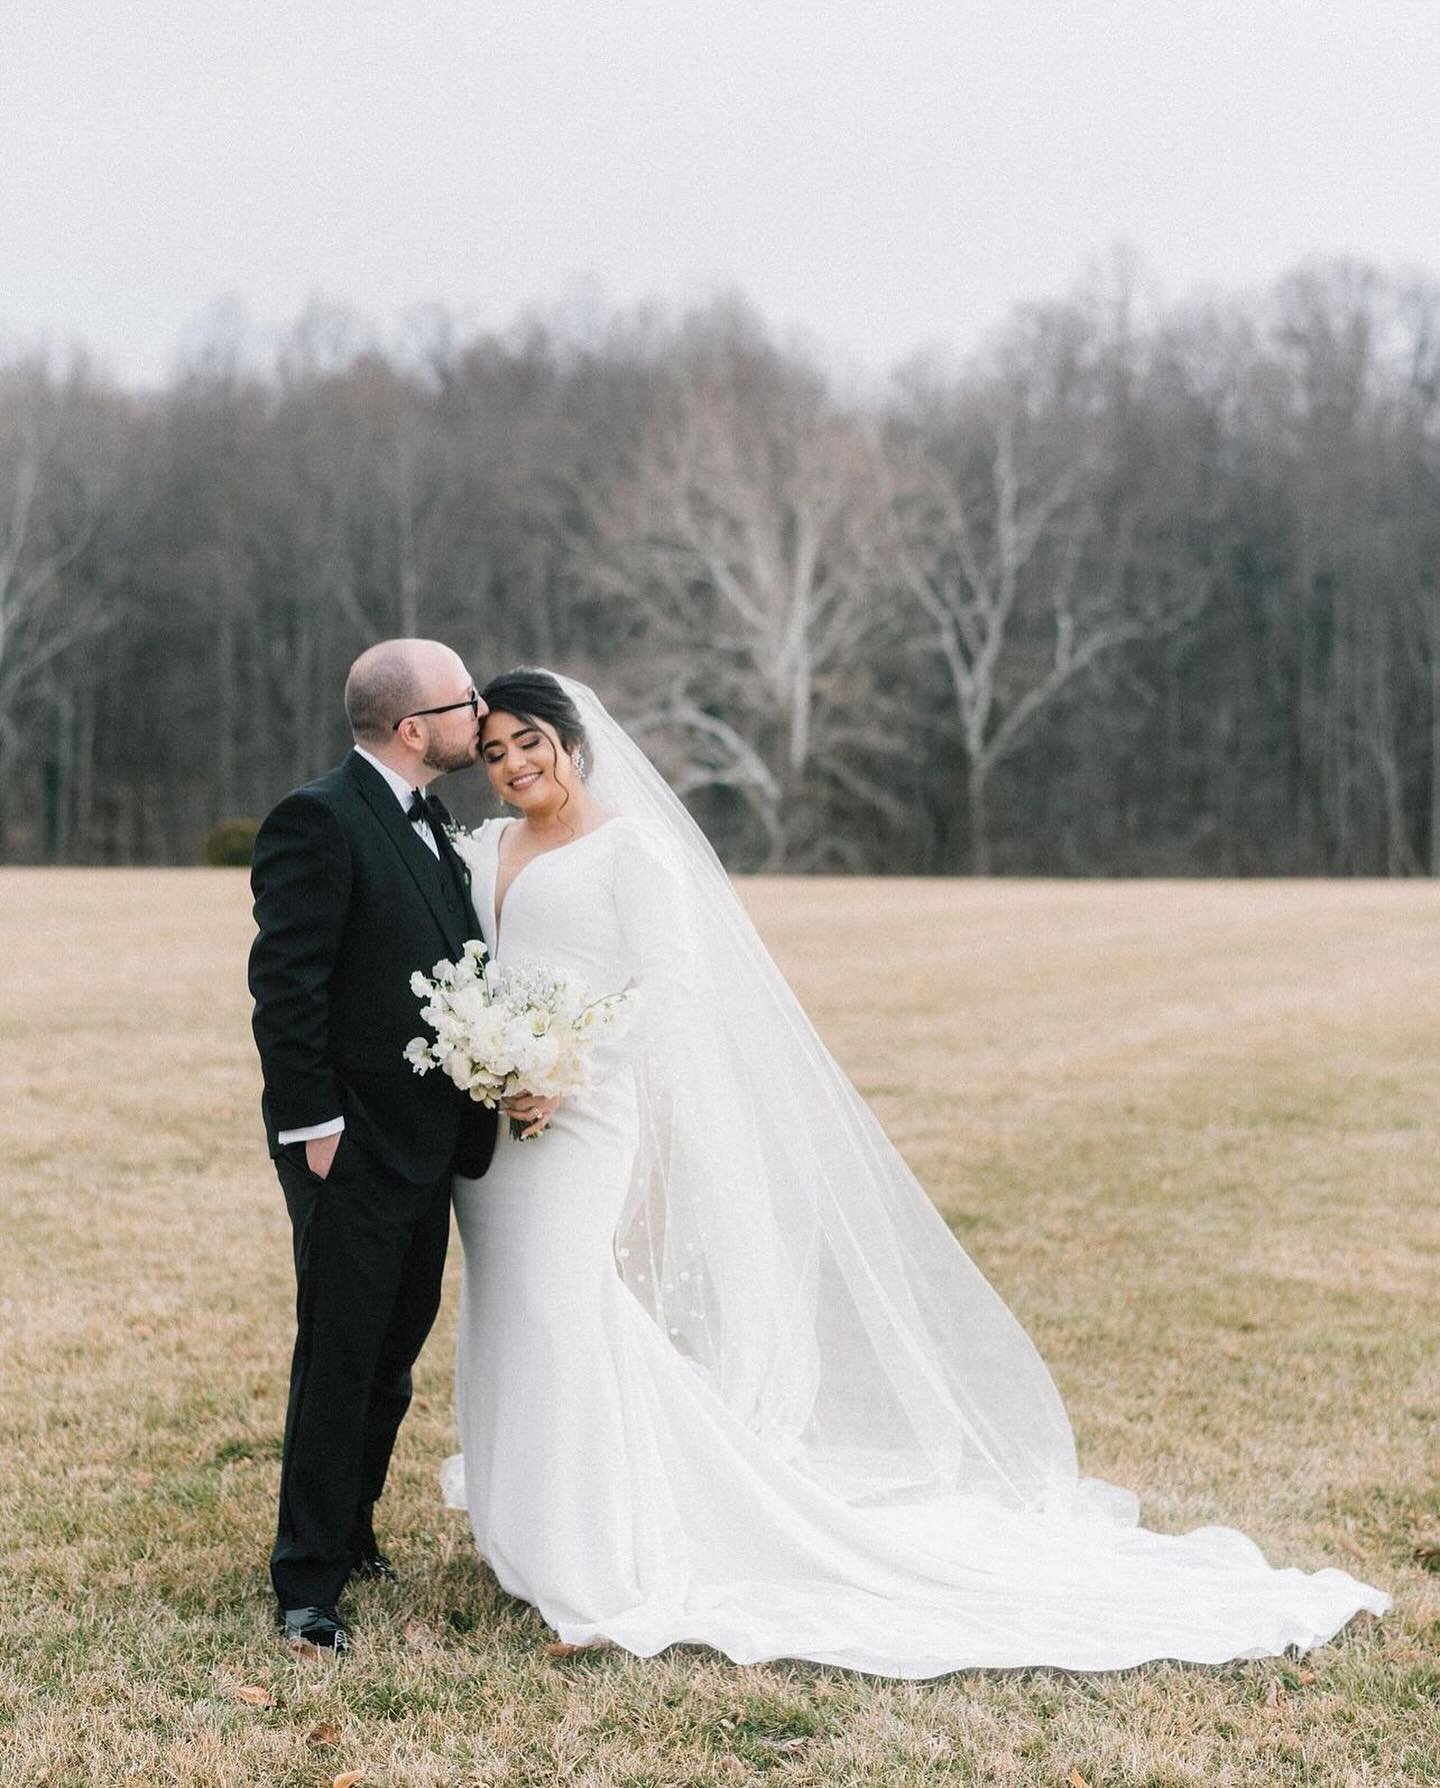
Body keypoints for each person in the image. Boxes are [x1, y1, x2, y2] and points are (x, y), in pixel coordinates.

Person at [443, 666, 1389, 1676]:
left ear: (574, 739)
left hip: (582, 1114)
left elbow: (670, 989)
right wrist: (489, 1054)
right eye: (494, 751)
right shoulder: (486, 848)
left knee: (562, 1304)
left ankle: (595, 1541)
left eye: (529, 741)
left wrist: (569, 1072)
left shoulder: (633, 850)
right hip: (489, 1120)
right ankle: (528, 1520)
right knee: (511, 1307)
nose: (514, 765)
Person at [249, 638, 498, 1652]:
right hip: (348, 1146)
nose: (478, 714)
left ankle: (351, 1532)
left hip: (426, 1141)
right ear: (413, 727)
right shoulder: (319, 819)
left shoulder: (427, 821)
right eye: (464, 701)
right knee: (341, 1358)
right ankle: (307, 1586)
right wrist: (315, 1128)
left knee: (391, 1358)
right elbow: (287, 986)